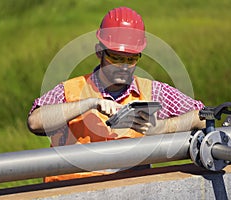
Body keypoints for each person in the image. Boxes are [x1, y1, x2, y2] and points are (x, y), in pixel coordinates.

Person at [27, 6, 205, 182]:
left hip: (129, 191)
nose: (124, 66)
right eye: (116, 58)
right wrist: (89, 103)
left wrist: (162, 127)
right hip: (68, 191)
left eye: (131, 59)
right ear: (99, 51)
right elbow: (35, 122)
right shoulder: (70, 90)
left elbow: (203, 116)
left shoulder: (154, 91)